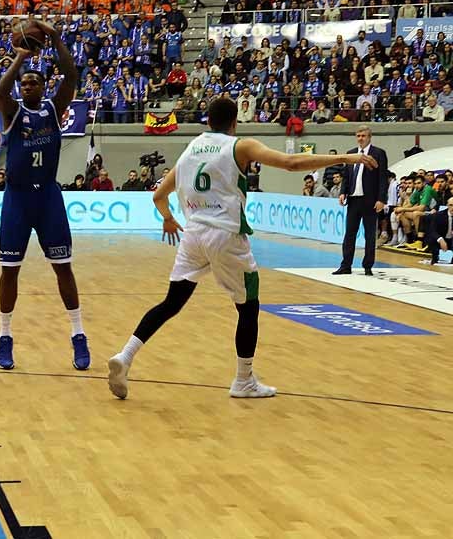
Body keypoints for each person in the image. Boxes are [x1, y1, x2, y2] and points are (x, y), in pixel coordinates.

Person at [107, 98, 376, 400]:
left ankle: (126, 355)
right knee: (248, 306)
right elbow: (291, 163)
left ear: (207, 121)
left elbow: (158, 196)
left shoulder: (191, 149)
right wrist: (347, 159)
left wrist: (169, 219)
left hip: (193, 235)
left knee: (172, 302)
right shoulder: (239, 146)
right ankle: (243, 380)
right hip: (225, 236)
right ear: (235, 122)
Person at [0, 19, 89, 371]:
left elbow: (71, 77)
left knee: (64, 268)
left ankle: (78, 335)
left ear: (43, 87)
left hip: (48, 198)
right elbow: (0, 93)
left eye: (35, 81)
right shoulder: (13, 111)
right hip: (17, 199)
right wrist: (19, 57)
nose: (29, 84)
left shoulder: (52, 109)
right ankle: (4, 338)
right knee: (10, 271)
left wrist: (57, 38)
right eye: (25, 82)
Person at [334, 125, 389, 276]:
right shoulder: (351, 154)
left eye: (363, 136)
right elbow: (347, 175)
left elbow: (382, 178)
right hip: (353, 199)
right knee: (349, 234)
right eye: (358, 136)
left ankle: (368, 266)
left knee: (370, 234)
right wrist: (343, 192)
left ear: (369, 137)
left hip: (370, 200)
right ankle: (346, 265)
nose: (360, 138)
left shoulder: (378, 153)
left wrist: (381, 199)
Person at [426, 197, 453, 264]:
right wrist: (440, 239)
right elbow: (432, 230)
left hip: (451, 240)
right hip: (441, 239)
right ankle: (435, 258)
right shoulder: (438, 215)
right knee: (432, 239)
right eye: (451, 205)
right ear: (447, 205)